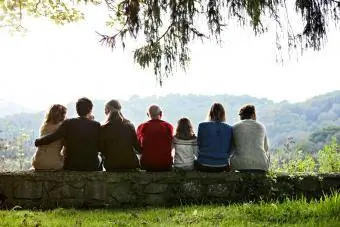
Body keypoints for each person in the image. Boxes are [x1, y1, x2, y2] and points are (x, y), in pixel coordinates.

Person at [34, 97, 101, 171]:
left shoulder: (68, 123)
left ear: (77, 110)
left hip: (71, 165)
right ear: (90, 110)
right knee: (100, 158)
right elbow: (100, 146)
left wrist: (38, 141)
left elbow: (54, 137)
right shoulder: (96, 125)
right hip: (91, 166)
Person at [100, 99, 141, 171]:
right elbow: (137, 146)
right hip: (130, 163)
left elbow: (101, 148)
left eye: (105, 109)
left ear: (109, 109)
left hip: (111, 164)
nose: (104, 111)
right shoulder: (129, 125)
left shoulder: (104, 127)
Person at [230, 104, 269, 172]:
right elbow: (265, 148)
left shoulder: (235, 127)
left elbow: (231, 149)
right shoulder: (261, 127)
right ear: (253, 114)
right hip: (261, 165)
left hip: (240, 165)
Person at [195, 103, 233, 172]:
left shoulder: (202, 126)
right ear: (223, 114)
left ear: (210, 113)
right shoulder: (229, 128)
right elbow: (230, 149)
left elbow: (198, 145)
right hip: (222, 165)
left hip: (203, 164)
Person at [137, 105, 173, 171]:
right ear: (161, 113)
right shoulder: (168, 126)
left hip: (147, 165)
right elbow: (171, 144)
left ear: (148, 114)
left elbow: (138, 146)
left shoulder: (141, 127)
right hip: (165, 164)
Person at [32, 104, 67, 170]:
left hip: (37, 162)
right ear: (63, 115)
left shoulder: (44, 126)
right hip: (53, 163)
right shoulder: (62, 128)